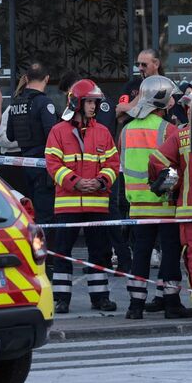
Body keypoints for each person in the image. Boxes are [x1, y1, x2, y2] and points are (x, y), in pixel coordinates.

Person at [119, 75, 192, 320]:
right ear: (161, 100)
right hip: (163, 205)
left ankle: (135, 305)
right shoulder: (168, 129)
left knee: (140, 253)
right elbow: (177, 167)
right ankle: (170, 302)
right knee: (170, 254)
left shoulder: (126, 130)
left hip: (137, 206)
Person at [45, 79, 120, 314]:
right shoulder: (58, 131)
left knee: (98, 253)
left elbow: (113, 163)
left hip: (96, 204)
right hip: (67, 204)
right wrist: (76, 183)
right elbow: (53, 165)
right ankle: (61, 299)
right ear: (77, 102)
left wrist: (100, 181)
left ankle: (100, 298)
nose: (93, 107)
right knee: (62, 253)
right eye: (89, 102)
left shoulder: (103, 132)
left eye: (95, 102)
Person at [60, 71, 130, 272]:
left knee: (112, 221)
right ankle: (111, 261)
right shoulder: (64, 128)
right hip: (80, 195)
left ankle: (122, 261)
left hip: (100, 188)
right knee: (104, 230)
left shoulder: (100, 111)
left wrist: (99, 181)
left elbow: (106, 150)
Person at [150, 85, 192, 312]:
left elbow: (156, 161)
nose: (187, 111)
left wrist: (172, 183)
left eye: (189, 107)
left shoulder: (182, 135)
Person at [7, 63, 59, 223]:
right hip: (43, 166)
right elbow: (52, 135)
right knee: (46, 213)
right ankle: (46, 247)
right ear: (47, 78)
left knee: (31, 213)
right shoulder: (44, 103)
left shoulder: (16, 103)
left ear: (27, 78)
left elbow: (10, 135)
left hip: (25, 164)